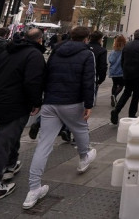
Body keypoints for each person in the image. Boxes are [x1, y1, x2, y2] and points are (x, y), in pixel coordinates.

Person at [23, 26, 97, 210]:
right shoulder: (88, 54)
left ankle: (33, 190)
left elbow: (45, 75)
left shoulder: (56, 51)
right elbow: (89, 80)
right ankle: (84, 157)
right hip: (73, 101)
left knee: (44, 144)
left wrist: (39, 100)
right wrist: (89, 104)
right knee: (80, 129)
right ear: (86, 38)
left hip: (50, 101)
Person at [0, 28, 45, 206]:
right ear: (40, 40)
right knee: (3, 142)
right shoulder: (34, 55)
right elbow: (33, 81)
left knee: (10, 136)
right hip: (14, 103)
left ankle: (9, 165)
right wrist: (36, 102)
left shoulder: (8, 51)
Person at [110, 29, 139, 124]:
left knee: (126, 93)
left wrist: (125, 71)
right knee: (136, 95)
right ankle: (132, 114)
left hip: (128, 74)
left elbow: (122, 60)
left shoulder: (127, 45)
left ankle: (116, 111)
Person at [87, 30, 108, 104]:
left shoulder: (85, 47)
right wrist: (101, 79)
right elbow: (102, 66)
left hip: (80, 75)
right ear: (100, 39)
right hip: (93, 76)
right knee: (89, 101)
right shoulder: (102, 50)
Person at [108, 35, 126, 107]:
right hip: (121, 71)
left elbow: (110, 60)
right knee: (121, 85)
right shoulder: (124, 51)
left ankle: (113, 96)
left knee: (114, 84)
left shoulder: (113, 51)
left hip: (113, 71)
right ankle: (114, 96)